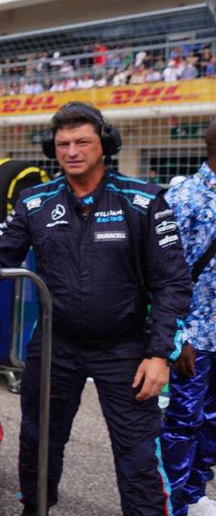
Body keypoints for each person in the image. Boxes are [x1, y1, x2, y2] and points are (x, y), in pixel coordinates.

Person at [0, 101, 190, 516]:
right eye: (63, 143)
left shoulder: (145, 201)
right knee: (40, 439)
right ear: (52, 148)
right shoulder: (34, 202)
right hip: (55, 345)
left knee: (137, 457)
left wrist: (158, 355)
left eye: (82, 141)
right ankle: (36, 509)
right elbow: (2, 251)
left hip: (126, 349)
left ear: (105, 145)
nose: (72, 151)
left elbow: (173, 283)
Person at [162, 117, 216, 516]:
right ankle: (171, 505)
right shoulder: (186, 197)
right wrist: (177, 334)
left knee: (212, 425)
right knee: (183, 422)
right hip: (194, 337)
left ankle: (194, 496)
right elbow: (162, 271)